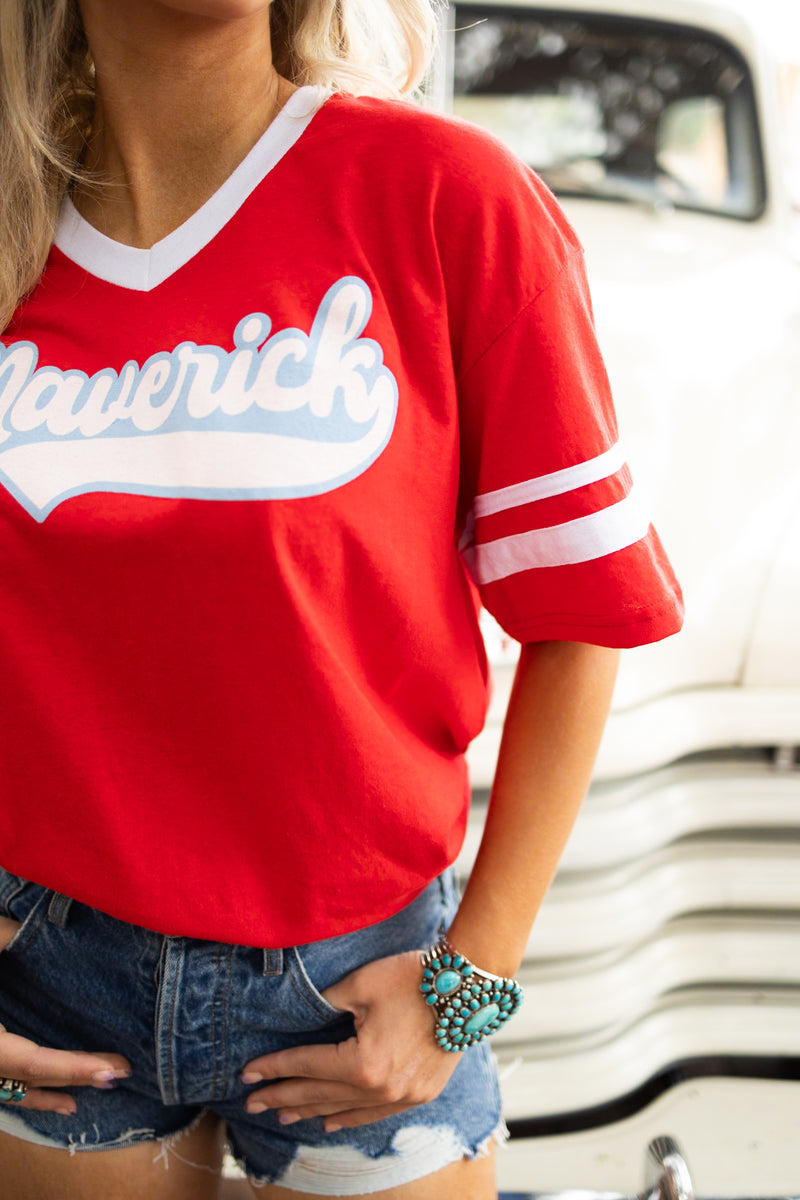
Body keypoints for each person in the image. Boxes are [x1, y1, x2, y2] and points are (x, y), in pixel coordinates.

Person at [0, 1, 684, 1197]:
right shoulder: (11, 227)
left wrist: (471, 981)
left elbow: (581, 616)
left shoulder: (444, 197)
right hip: (49, 971)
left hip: (357, 974)